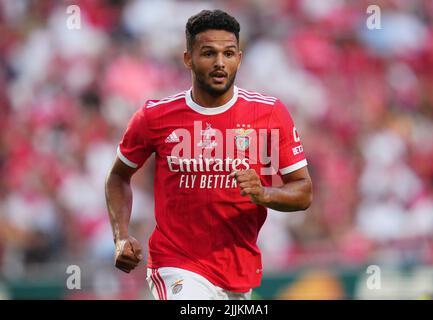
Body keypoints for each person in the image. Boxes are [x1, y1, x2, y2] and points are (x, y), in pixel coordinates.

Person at [105, 9, 312, 300]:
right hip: (176, 264)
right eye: (208, 53)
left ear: (239, 58)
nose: (219, 63)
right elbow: (118, 176)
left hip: (238, 272)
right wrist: (121, 236)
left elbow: (303, 192)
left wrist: (264, 193)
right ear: (188, 58)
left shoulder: (268, 113)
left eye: (228, 54)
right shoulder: (155, 116)